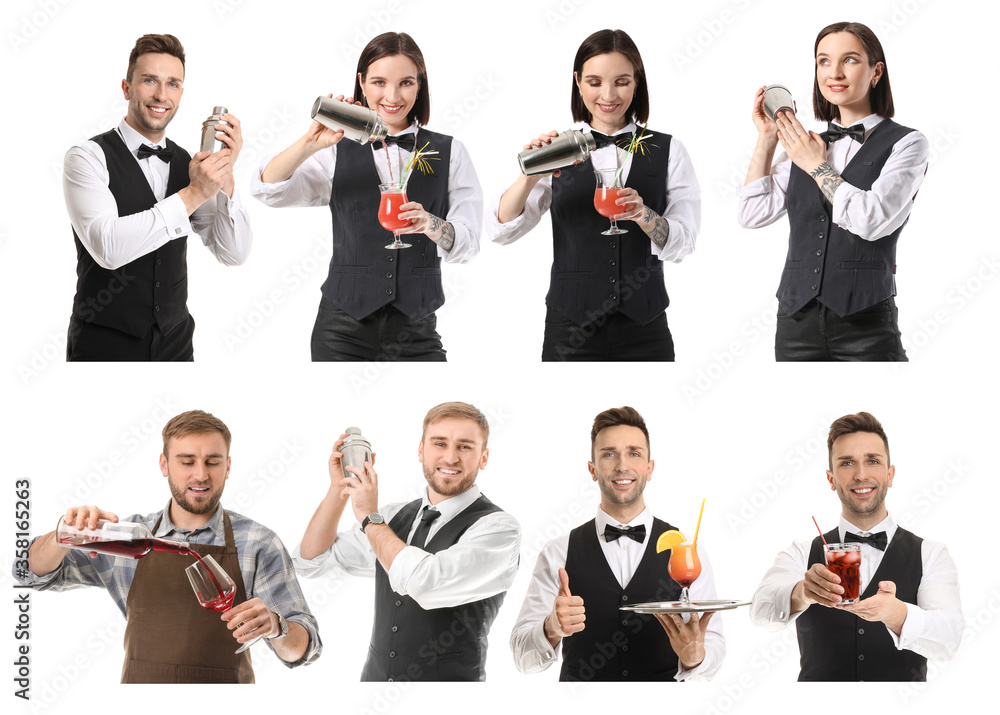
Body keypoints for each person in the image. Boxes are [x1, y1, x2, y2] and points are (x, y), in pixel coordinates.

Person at [14, 410, 320, 683]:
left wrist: (277, 627)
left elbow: (304, 650)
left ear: (227, 467)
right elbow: (25, 573)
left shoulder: (258, 542)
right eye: (187, 461)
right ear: (164, 464)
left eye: (212, 462)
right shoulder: (128, 540)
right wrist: (63, 534)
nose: (200, 474)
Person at [252, 32, 482, 361]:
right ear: (361, 83)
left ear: (420, 84)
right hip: (341, 330)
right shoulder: (334, 149)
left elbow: (470, 241)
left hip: (416, 330)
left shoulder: (451, 152)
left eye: (405, 83)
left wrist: (431, 224)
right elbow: (267, 189)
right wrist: (308, 143)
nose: (392, 96)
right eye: (378, 82)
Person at [486, 29, 700, 361]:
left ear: (637, 82)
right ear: (578, 81)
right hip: (570, 326)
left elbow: (684, 243)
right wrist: (531, 174)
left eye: (622, 81)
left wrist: (645, 215)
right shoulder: (559, 148)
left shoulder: (669, 148)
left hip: (646, 326)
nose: (608, 95)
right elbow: (500, 230)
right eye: (595, 82)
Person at [738, 22, 928, 361]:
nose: (834, 73)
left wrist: (816, 166)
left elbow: (871, 220)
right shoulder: (805, 144)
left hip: (866, 325)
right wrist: (767, 138)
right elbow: (751, 214)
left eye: (850, 60)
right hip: (795, 323)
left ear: (876, 72)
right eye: (823, 61)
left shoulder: (907, 143)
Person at [294, 402, 520, 680]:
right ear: (421, 451)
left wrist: (367, 515)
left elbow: (424, 584)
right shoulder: (390, 517)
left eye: (464, 446)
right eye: (439, 443)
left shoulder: (498, 529)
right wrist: (338, 488)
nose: (450, 458)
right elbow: (311, 562)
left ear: (483, 458)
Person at [66, 33, 252, 361]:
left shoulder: (187, 163)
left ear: (181, 92)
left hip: (176, 342)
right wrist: (194, 192)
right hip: (103, 344)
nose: (161, 95)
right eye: (149, 80)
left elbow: (233, 254)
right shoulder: (87, 157)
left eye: (173, 84)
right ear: (126, 88)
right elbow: (108, 248)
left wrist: (225, 179)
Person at [510, 406, 724, 680]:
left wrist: (697, 658)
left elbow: (715, 644)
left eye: (634, 453)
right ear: (592, 469)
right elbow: (522, 659)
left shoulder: (686, 551)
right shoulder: (558, 552)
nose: (622, 465)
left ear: (650, 468)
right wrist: (550, 628)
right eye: (609, 454)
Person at [750, 412, 963, 681]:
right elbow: (759, 613)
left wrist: (898, 614)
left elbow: (950, 640)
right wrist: (802, 593)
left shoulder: (931, 554)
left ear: (890, 474)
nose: (861, 475)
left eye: (872, 461)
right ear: (831, 479)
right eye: (847, 463)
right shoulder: (801, 552)